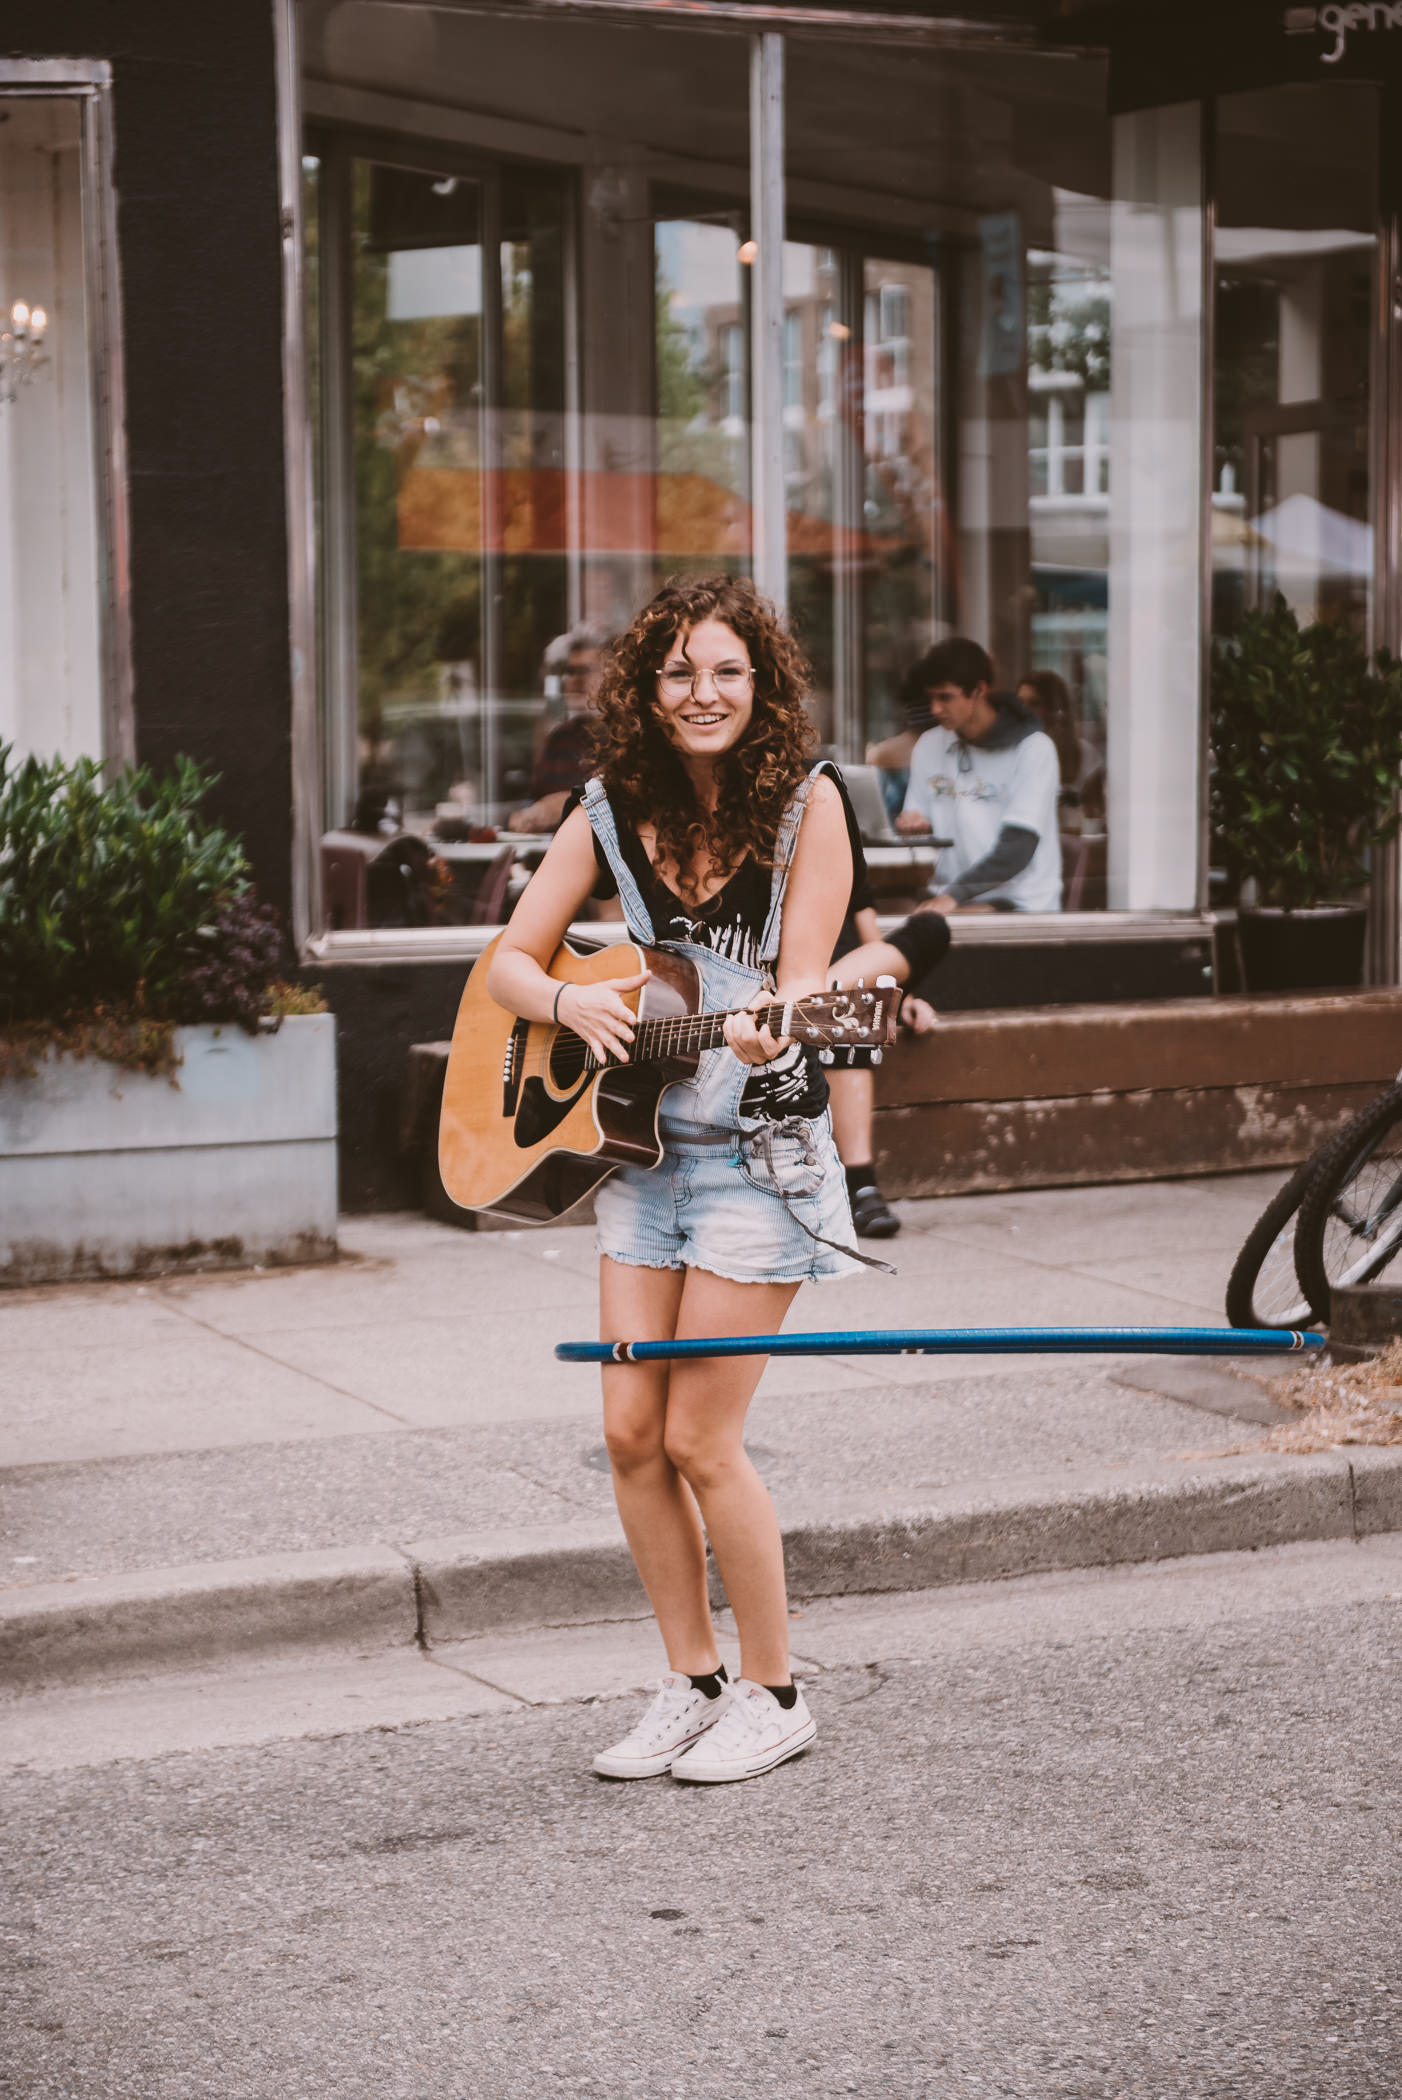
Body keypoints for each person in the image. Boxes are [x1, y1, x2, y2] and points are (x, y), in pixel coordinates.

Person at [488, 574, 867, 1786]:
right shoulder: (607, 811)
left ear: (762, 688)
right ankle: (691, 1681)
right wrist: (559, 1002)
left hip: (761, 1160)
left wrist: (775, 1027)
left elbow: (805, 982)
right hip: (645, 1157)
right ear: (645, 692)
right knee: (626, 1431)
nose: (703, 694)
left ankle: (775, 1692)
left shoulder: (810, 807)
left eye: (727, 672)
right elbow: (507, 959)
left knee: (702, 1437)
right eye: (679, 674)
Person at [896, 637, 1062, 914]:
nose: (935, 709)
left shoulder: (1033, 749)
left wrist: (954, 896)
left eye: (945, 697)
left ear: (979, 690)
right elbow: (918, 821)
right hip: (949, 898)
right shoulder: (929, 744)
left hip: (1021, 903)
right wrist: (912, 824)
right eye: (931, 698)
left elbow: (1017, 848)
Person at [825, 901, 949, 1239]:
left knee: (931, 927)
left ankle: (819, 1001)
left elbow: (872, 941)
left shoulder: (840, 848)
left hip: (850, 978)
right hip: (792, 974)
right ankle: (861, 1184)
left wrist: (900, 997)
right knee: (852, 1013)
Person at [507, 623, 615, 834]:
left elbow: (633, 804)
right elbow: (535, 800)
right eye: (569, 672)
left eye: (583, 671)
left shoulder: (634, 736)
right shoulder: (561, 738)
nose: (573, 681)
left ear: (614, 676)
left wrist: (571, 803)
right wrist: (526, 816)